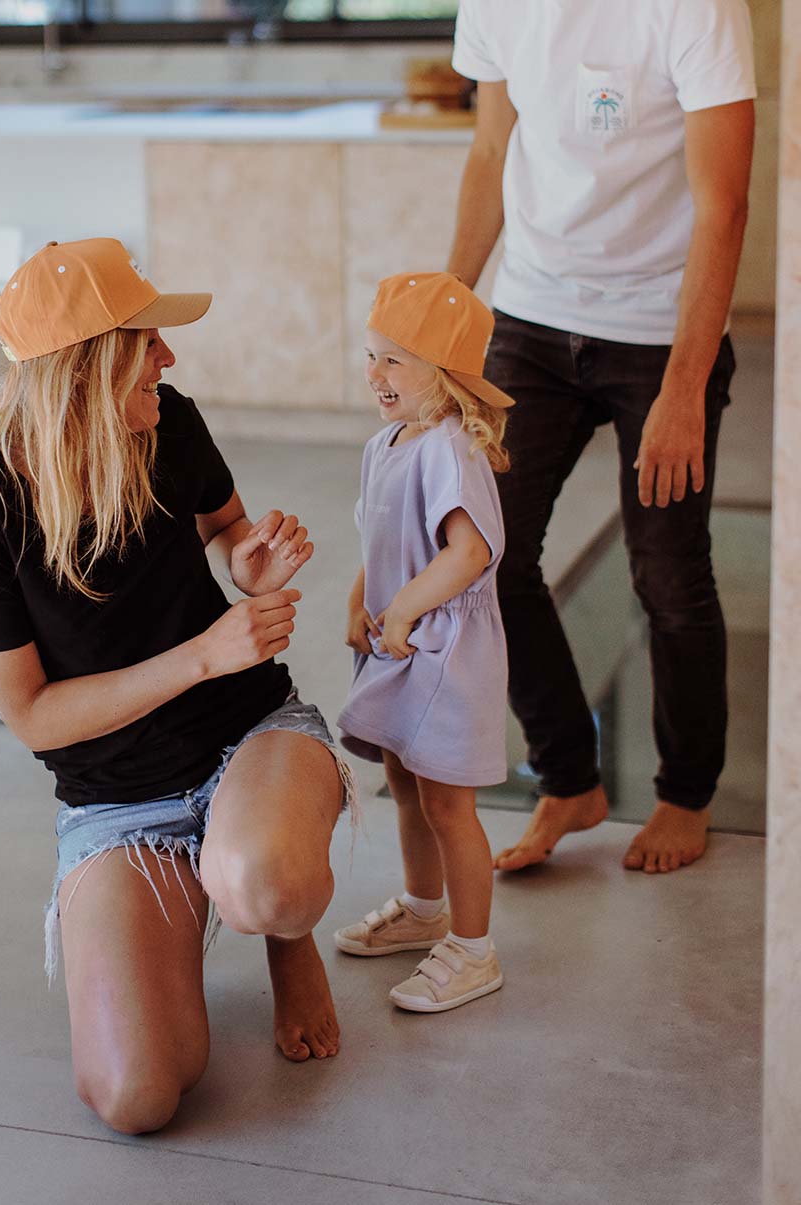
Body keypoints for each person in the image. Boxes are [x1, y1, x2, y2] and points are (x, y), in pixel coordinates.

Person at [0, 237, 355, 1135]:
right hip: (115, 800)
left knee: (268, 887)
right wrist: (202, 652)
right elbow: (37, 717)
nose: (169, 356)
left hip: (248, 736)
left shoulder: (166, 421)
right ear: (85, 371)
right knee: (138, 1096)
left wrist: (253, 562)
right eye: (147, 341)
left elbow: (227, 528)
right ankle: (176, 911)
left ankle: (284, 934)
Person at [448, 0, 756, 874]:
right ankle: (569, 776)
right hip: (534, 316)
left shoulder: (697, 9)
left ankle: (684, 794)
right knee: (486, 553)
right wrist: (443, 316)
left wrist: (685, 388)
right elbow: (488, 152)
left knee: (668, 572)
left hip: (662, 329)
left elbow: (723, 204)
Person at [333, 272, 515, 1013]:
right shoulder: (388, 443)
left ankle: (474, 951)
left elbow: (470, 553)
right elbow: (376, 536)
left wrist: (402, 609)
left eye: (395, 361)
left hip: (443, 651)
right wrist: (362, 597)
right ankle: (423, 907)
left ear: (444, 376)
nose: (375, 374)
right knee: (405, 780)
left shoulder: (451, 448)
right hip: (399, 639)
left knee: (448, 802)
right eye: (371, 355)